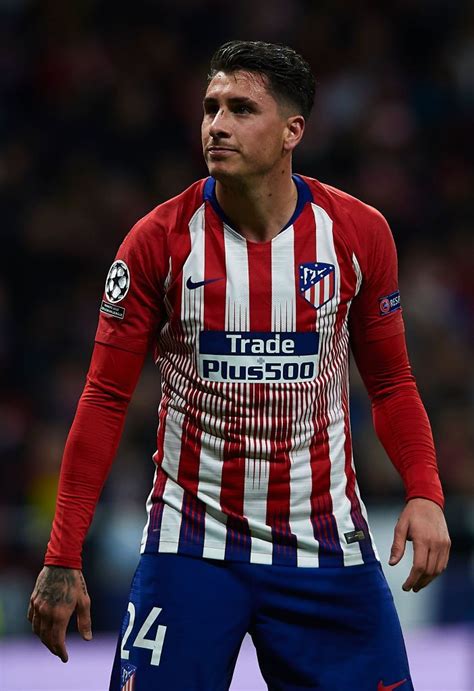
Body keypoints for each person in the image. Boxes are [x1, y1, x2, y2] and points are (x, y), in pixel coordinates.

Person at [28, 40, 451, 691]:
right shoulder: (157, 242)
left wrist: (423, 489)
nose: (216, 124)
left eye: (240, 108)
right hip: (190, 547)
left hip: (326, 547)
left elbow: (391, 382)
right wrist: (62, 556)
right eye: (210, 107)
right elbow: (105, 398)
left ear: (292, 131)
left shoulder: (358, 234)